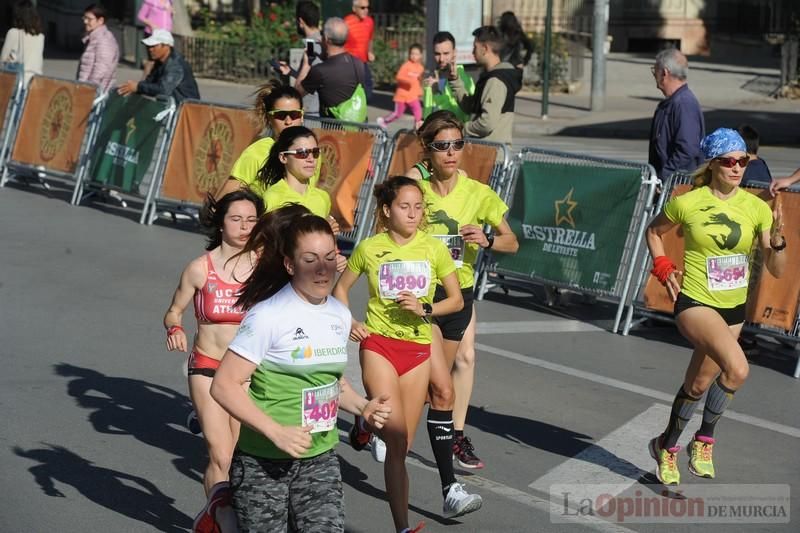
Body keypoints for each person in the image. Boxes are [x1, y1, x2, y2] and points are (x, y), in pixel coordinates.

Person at [210, 204, 391, 532]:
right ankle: (223, 514)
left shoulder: (338, 314)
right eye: (309, 260)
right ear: (290, 265)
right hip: (262, 461)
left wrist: (364, 406)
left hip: (319, 457)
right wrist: (275, 430)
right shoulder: (269, 315)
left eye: (328, 258)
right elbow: (223, 385)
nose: (322, 269)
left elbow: (332, 383)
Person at [645, 128, 786, 485]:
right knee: (737, 368)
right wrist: (662, 266)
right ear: (712, 165)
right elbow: (654, 231)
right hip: (695, 302)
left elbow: (775, 269)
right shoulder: (688, 201)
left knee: (697, 384)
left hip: (733, 308)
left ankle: (665, 444)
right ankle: (703, 440)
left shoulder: (756, 208)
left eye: (743, 161)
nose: (738, 168)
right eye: (729, 162)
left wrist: (779, 244)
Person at [334, 176, 471, 530]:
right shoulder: (369, 248)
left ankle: (365, 422)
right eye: (404, 207)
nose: (413, 214)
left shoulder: (433, 248)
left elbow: (455, 300)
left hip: (418, 348)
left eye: (418, 207)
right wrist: (349, 321)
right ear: (386, 210)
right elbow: (341, 290)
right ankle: (404, 526)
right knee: (394, 435)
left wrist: (425, 308)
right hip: (379, 343)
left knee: (401, 446)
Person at [409, 111, 517, 473]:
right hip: (421, 289)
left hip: (459, 288)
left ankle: (454, 433)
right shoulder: (417, 191)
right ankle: (382, 419)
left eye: (458, 144)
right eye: (442, 146)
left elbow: (512, 242)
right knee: (428, 373)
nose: (452, 152)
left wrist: (487, 240)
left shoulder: (477, 193)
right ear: (428, 149)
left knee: (464, 359)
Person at [163, 190, 263, 531]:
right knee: (220, 453)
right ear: (220, 223)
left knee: (236, 457)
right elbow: (173, 311)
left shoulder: (266, 268)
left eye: (251, 219)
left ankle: (213, 514)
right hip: (207, 366)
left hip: (247, 373)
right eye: (236, 219)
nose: (244, 226)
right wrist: (174, 328)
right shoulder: (199, 269)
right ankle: (224, 520)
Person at [214, 81, 321, 202]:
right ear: (269, 118)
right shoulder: (258, 151)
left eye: (295, 114)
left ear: (302, 115)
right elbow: (222, 201)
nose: (288, 121)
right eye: (280, 115)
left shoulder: (313, 152)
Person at [451, 26, 522, 146]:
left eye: (475, 47)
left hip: (492, 157)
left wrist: (461, 129)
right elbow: (470, 107)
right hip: (487, 153)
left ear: (484, 48)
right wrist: (454, 80)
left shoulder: (496, 81)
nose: (472, 52)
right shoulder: (490, 77)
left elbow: (486, 123)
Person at [648, 48, 705, 182]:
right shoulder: (673, 103)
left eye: (654, 70)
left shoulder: (684, 104)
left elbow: (687, 149)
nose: (653, 74)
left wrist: (664, 176)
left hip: (677, 186)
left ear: (664, 72)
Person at [255, 126, 331, 218]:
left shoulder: (323, 198)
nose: (311, 159)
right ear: (283, 157)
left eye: (315, 152)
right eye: (302, 153)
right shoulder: (272, 198)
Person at [298, 17, 366, 119]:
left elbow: (297, 93)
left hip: (331, 131)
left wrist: (306, 64)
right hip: (356, 128)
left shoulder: (320, 71)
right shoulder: (358, 64)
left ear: (326, 38)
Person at [117, 29, 199, 103]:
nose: (150, 49)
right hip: (173, 110)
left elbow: (163, 89)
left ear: (166, 46)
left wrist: (138, 87)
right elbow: (150, 82)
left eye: (154, 46)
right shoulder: (159, 63)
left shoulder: (175, 65)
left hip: (186, 112)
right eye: (149, 46)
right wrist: (132, 87)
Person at [279, 0, 322, 117]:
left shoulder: (312, 46)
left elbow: (305, 85)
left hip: (314, 111)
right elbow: (311, 76)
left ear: (301, 21)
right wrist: (291, 72)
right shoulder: (323, 42)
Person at [422, 31, 475, 123]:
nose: (441, 59)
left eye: (446, 53)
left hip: (455, 133)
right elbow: (427, 110)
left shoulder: (463, 78)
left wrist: (437, 92)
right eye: (437, 54)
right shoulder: (432, 78)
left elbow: (465, 113)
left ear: (454, 52)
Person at [377, 44, 425, 130]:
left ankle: (417, 129)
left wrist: (420, 91)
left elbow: (418, 81)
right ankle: (384, 121)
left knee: (418, 112)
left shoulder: (421, 68)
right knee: (397, 113)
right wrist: (408, 81)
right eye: (412, 53)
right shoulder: (406, 65)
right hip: (402, 95)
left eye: (416, 54)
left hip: (413, 96)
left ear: (421, 55)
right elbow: (399, 77)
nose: (414, 56)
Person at [1, 0, 44, 87]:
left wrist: (11, 58)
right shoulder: (40, 36)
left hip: (19, 82)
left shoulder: (13, 33)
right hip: (36, 82)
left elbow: (2, 60)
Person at [77, 4, 119, 92]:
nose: (85, 21)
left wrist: (87, 89)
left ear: (100, 20)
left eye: (89, 19)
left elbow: (101, 70)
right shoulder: (93, 38)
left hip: (95, 92)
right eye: (84, 18)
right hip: (86, 89)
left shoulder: (104, 40)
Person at [343, 0, 374, 100]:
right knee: (350, 93)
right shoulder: (346, 22)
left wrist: (370, 51)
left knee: (368, 91)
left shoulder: (369, 21)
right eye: (362, 8)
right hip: (349, 64)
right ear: (354, 9)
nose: (366, 10)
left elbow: (370, 39)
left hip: (363, 63)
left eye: (367, 7)